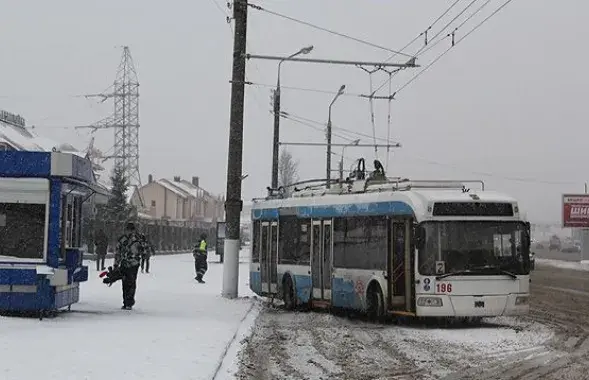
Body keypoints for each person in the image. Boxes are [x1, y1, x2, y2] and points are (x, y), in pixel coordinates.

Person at [114, 222, 148, 310]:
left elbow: (144, 250)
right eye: (127, 230)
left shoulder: (138, 239)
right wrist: (116, 264)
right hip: (124, 263)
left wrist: (142, 254)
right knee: (125, 283)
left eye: (130, 230)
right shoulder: (122, 239)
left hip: (133, 264)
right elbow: (117, 252)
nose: (129, 232)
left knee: (131, 282)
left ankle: (129, 302)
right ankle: (126, 301)